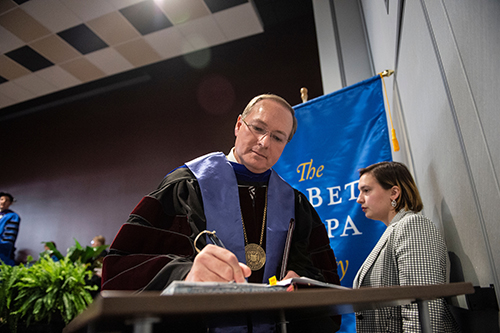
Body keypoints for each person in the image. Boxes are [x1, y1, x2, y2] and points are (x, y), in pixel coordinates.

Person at [102, 94, 341, 332]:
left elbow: (322, 274)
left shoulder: (295, 205)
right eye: (258, 128)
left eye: (278, 137)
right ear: (239, 125)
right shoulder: (187, 186)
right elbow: (124, 266)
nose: (265, 142)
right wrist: (186, 274)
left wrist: (300, 281)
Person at [353, 161, 460, 332]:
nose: (359, 199)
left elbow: (424, 309)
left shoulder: (413, 225)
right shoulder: (395, 230)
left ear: (394, 193)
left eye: (366, 190)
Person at [0, 192, 21, 266]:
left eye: (6, 200)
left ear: (10, 203)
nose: (3, 201)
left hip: (2, 251)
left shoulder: (13, 216)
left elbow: (8, 239)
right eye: (1, 199)